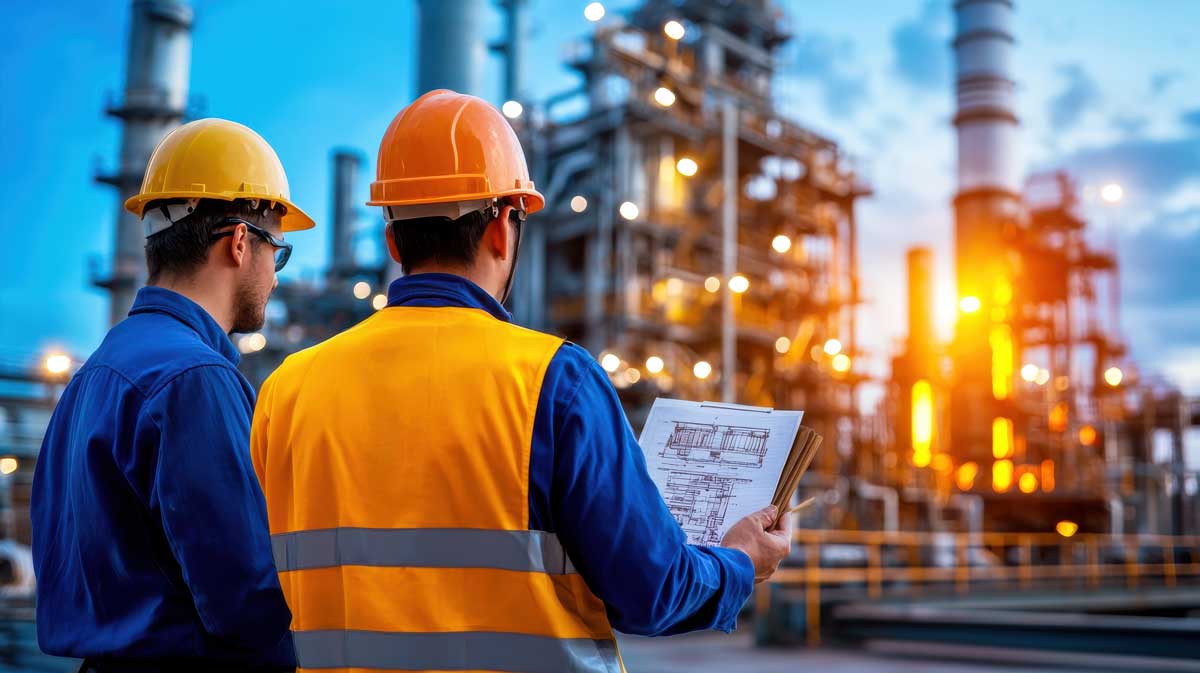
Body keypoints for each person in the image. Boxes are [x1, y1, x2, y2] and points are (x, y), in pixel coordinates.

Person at [251, 90, 791, 673]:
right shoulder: (555, 382)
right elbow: (651, 590)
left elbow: (249, 592)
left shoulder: (287, 389)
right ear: (505, 228)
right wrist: (739, 559)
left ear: (391, 241)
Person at [31, 118, 314, 672]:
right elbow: (246, 603)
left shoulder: (91, 378)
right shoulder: (194, 380)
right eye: (276, 251)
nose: (276, 278)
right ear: (238, 242)